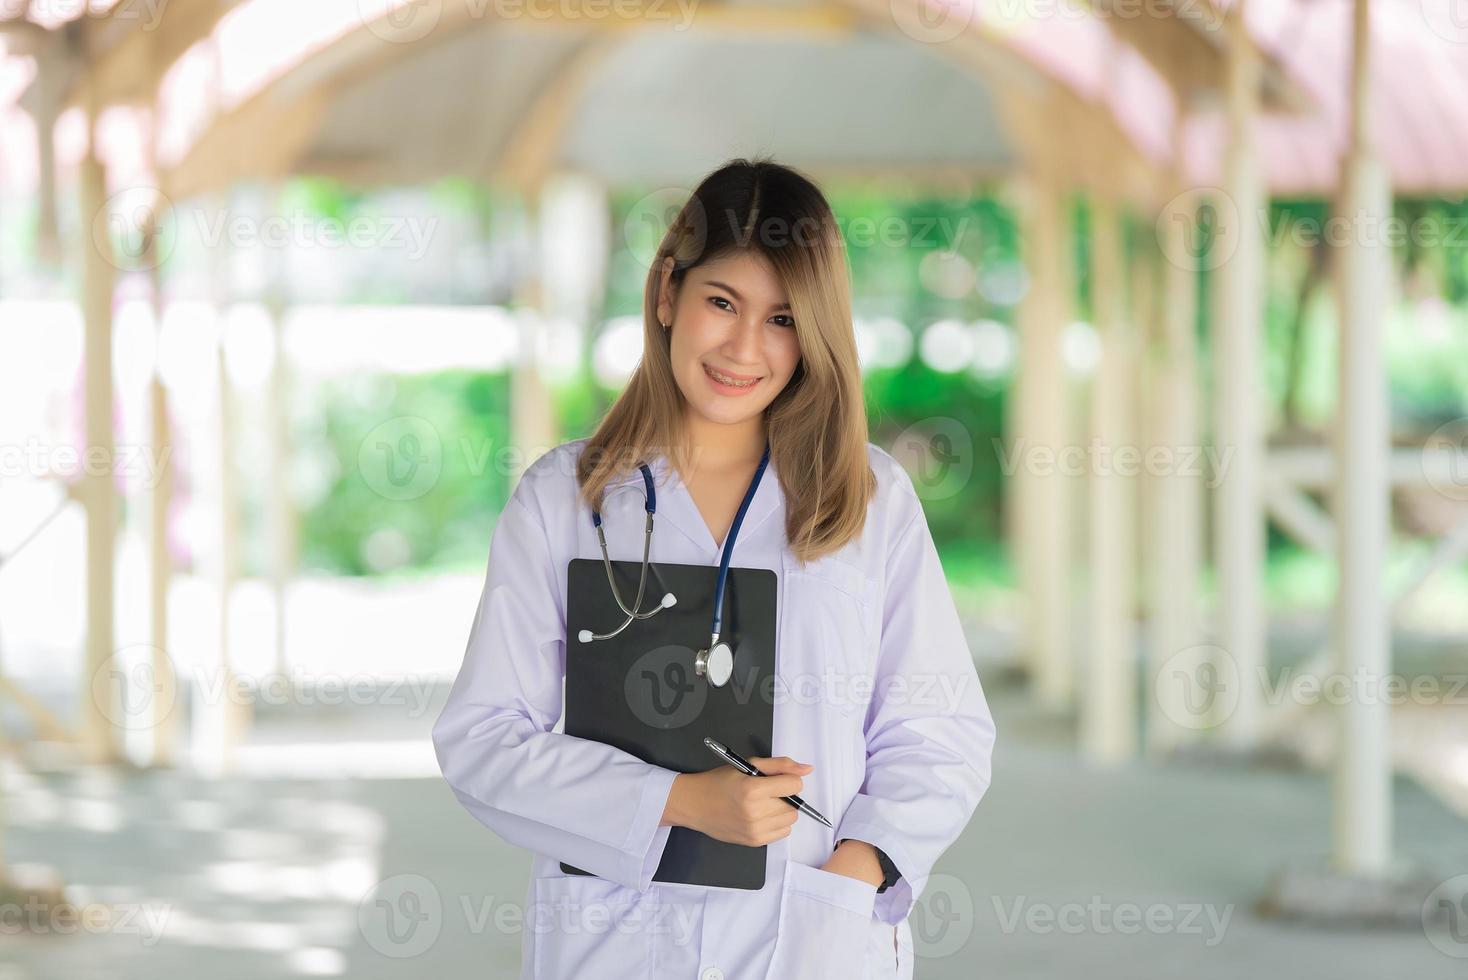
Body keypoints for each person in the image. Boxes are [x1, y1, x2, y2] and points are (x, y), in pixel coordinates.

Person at [432, 157, 996, 980]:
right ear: (668, 294)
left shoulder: (869, 501)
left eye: (781, 318)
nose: (743, 347)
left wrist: (852, 877)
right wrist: (678, 802)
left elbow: (940, 733)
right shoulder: (563, 500)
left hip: (806, 940)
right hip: (614, 943)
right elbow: (483, 740)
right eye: (721, 303)